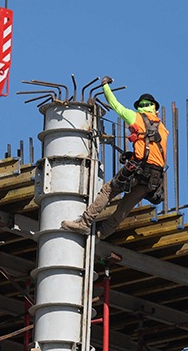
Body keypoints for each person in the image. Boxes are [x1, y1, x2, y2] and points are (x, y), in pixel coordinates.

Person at [61, 76, 169, 239]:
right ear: (155, 109)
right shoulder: (163, 128)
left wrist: (105, 86)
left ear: (140, 107)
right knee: (125, 206)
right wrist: (133, 153)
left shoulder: (135, 117)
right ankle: (102, 235)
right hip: (154, 177)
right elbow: (152, 151)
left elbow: (115, 105)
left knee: (108, 190)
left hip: (138, 168)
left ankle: (84, 223)